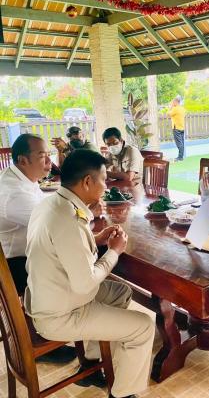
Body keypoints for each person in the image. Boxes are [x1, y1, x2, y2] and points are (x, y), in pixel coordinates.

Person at [24, 149, 155, 398]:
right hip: (60, 315)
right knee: (144, 326)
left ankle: (92, 363)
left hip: (50, 297)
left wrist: (97, 237)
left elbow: (63, 246)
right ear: (87, 181)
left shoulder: (52, 203)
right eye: (103, 179)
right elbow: (85, 284)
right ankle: (122, 394)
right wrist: (114, 251)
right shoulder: (68, 218)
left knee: (119, 292)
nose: (106, 186)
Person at [0, 133, 77, 363]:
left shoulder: (22, 178)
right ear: (23, 160)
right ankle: (48, 332)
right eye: (43, 155)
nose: (49, 161)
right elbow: (55, 223)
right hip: (15, 266)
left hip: (23, 253)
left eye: (48, 154)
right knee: (78, 270)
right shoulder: (13, 193)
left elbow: (46, 206)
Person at [168, 96, 186, 161]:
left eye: (173, 102)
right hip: (182, 127)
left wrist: (170, 108)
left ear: (176, 102)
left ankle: (180, 157)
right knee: (182, 143)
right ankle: (181, 156)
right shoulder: (182, 109)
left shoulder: (175, 109)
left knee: (179, 143)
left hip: (176, 128)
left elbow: (169, 114)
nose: (172, 103)